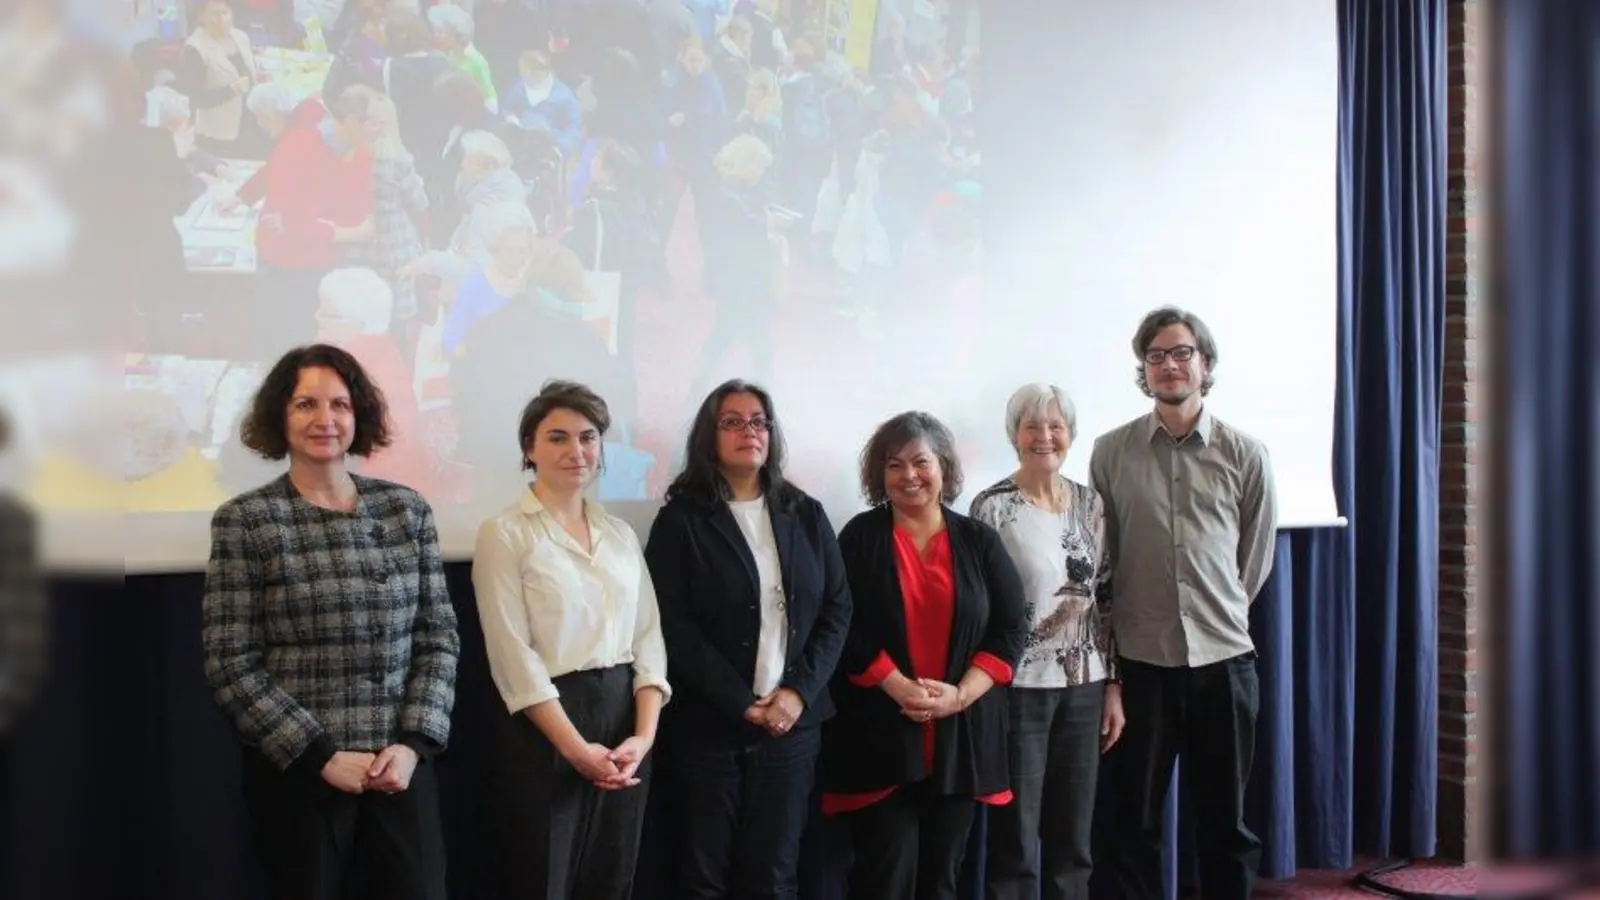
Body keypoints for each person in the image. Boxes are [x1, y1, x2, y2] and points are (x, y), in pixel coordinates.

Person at [201, 343, 460, 900]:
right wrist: (321, 756)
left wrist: (412, 744)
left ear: (358, 415)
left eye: (340, 405)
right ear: (279, 416)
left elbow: (438, 639)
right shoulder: (246, 520)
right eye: (305, 404)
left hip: (400, 771)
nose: (326, 420)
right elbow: (230, 664)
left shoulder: (406, 509)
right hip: (303, 777)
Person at [1089, 307, 1278, 900]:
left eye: (1181, 353)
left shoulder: (1246, 453)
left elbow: (1255, 556)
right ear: (1143, 371)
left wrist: (1218, 613)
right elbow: (1105, 559)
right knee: (1133, 822)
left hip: (1224, 662)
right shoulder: (1110, 452)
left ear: (1206, 364)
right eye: (1155, 356)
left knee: (1226, 821)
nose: (1169, 365)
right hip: (1143, 664)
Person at [643, 379, 852, 898]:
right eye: (732, 422)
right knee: (704, 877)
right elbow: (673, 625)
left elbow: (837, 609)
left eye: (758, 421)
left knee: (774, 876)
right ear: (708, 437)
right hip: (708, 728)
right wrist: (742, 703)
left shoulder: (805, 513)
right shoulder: (682, 520)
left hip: (792, 728)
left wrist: (797, 693)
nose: (748, 431)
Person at [471, 380, 670, 899]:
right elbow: (513, 657)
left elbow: (649, 640)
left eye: (587, 437)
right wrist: (577, 751)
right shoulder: (506, 533)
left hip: (625, 719)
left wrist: (643, 739)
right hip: (546, 727)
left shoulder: (621, 534)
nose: (576, 451)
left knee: (611, 879)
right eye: (557, 438)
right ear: (529, 449)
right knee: (544, 880)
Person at [820, 411, 1028, 900]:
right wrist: (897, 685)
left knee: (942, 880)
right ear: (879, 475)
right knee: (883, 876)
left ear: (944, 468)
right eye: (895, 465)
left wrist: (959, 696)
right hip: (880, 735)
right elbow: (841, 623)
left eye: (920, 461)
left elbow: (1010, 627)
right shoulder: (859, 537)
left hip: (961, 738)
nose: (909, 475)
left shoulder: (979, 540)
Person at [970, 383, 1124, 900]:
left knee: (1073, 834)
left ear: (1070, 435)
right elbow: (982, 607)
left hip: (1085, 684)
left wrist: (1113, 687)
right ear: (1015, 435)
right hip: (1019, 688)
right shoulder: (992, 508)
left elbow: (1104, 596)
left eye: (1055, 426)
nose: (1045, 436)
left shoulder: (1091, 504)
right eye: (1032, 425)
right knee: (1016, 836)